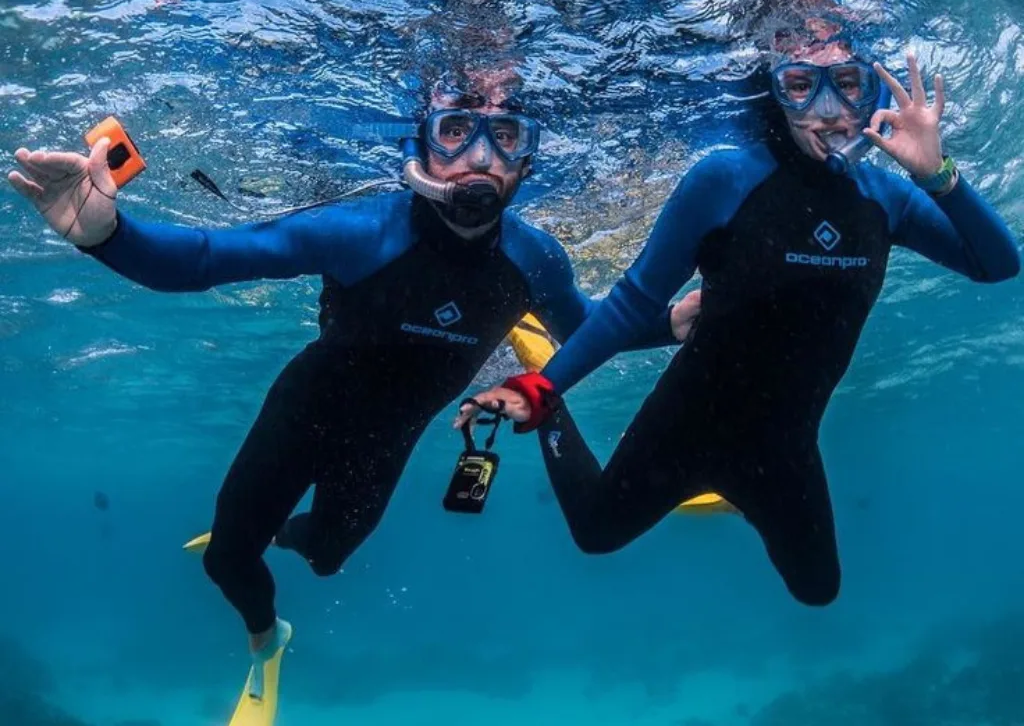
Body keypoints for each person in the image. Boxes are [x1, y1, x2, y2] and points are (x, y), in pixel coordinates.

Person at [6, 73, 696, 692]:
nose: (481, 156)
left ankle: (281, 533)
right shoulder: (361, 232)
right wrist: (106, 236)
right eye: (456, 131)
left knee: (328, 558)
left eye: (505, 136)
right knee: (225, 562)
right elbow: (209, 257)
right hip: (304, 408)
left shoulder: (535, 258)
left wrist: (671, 323)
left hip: (386, 440)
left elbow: (589, 328)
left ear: (527, 161)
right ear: (421, 148)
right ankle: (268, 635)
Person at [457, 42, 1020, 607]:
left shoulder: (887, 198)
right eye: (801, 86)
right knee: (596, 534)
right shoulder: (726, 178)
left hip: (784, 447)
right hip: (683, 426)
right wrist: (543, 387)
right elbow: (633, 301)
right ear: (776, 93)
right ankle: (553, 402)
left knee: (818, 590)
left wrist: (937, 175)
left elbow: (997, 264)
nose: (827, 110)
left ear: (869, 96)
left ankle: (737, 491)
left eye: (846, 84)